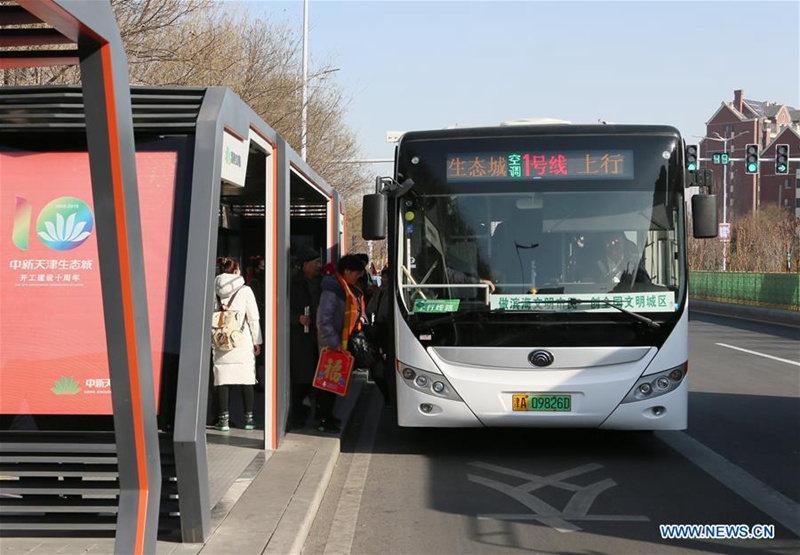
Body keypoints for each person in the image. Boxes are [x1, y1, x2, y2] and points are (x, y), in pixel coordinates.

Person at [316, 254, 369, 431]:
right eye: (356, 273)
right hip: (331, 344)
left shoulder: (348, 287)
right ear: (346, 271)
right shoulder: (333, 290)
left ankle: (328, 416)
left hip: (341, 342)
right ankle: (324, 419)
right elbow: (324, 320)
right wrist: (334, 341)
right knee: (327, 383)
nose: (358, 277)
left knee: (335, 383)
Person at [212, 256, 262, 431]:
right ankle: (249, 419)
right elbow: (253, 317)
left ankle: (223, 420)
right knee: (246, 378)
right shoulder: (245, 290)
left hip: (220, 340)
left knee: (222, 379)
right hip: (241, 339)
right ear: (235, 271)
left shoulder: (214, 289)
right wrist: (257, 341)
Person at [288, 246, 332, 431]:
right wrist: (296, 318)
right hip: (302, 339)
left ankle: (323, 417)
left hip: (322, 338)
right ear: (304, 264)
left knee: (324, 380)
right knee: (302, 380)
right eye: (315, 263)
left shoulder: (324, 283)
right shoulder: (292, 283)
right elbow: (279, 307)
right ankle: (299, 416)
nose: (318, 266)